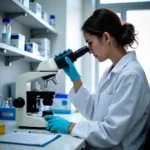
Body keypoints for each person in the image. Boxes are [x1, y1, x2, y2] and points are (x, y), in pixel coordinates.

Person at [44, 8, 150, 150]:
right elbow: (94, 111)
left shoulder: (131, 75)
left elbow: (111, 133)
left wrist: (70, 126)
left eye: (89, 42)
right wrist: (75, 79)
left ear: (106, 38)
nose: (88, 50)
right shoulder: (111, 71)